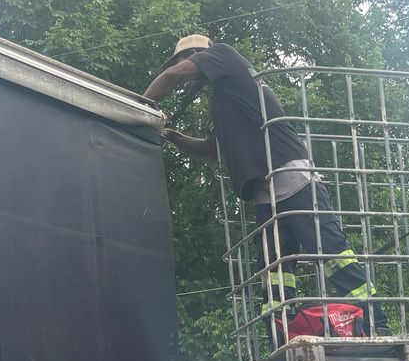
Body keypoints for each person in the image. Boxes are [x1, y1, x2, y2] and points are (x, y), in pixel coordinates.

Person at [142, 34, 387, 331]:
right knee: (275, 269)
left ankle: (376, 321)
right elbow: (212, 148)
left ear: (196, 55)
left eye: (182, 60)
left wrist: (142, 106)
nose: (181, 74)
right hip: (265, 192)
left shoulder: (223, 55)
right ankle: (281, 332)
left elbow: (173, 75)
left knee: (330, 252)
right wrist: (172, 136)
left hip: (292, 176)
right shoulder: (223, 98)